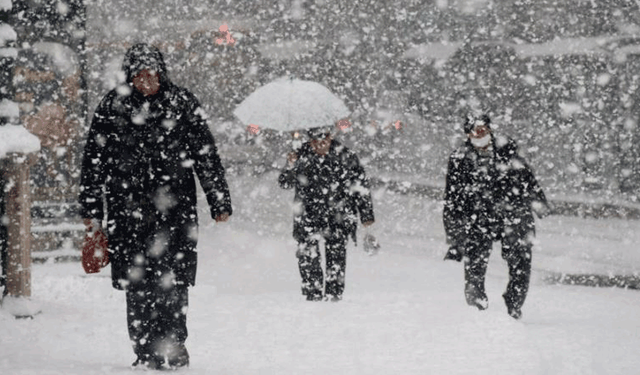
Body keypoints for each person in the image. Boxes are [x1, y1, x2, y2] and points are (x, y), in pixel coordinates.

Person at [79, 43, 232, 370]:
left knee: (174, 284)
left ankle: (175, 347)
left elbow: (205, 154)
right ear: (130, 76)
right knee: (138, 286)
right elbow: (94, 162)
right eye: (139, 75)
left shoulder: (182, 103)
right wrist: (92, 211)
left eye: (152, 74)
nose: (146, 81)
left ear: (162, 73)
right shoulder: (112, 106)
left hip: (174, 213)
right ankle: (146, 351)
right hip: (128, 213)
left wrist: (219, 198)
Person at [443, 114, 550, 319]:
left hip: (514, 214)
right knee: (474, 265)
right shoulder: (459, 159)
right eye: (474, 130)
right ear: (468, 134)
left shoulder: (508, 152)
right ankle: (477, 308)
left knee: (520, 263)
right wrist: (455, 237)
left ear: (490, 130)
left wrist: (539, 201)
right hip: (478, 218)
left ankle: (514, 305)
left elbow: (526, 178)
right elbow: (452, 198)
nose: (479, 134)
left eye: (483, 129)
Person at [279, 126, 375, 302]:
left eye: (324, 141)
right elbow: (284, 183)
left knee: (336, 256)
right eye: (316, 142)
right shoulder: (299, 155)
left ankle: (334, 295)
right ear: (310, 141)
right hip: (307, 213)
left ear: (331, 138)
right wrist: (291, 166)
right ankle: (312, 294)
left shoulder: (346, 155)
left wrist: (366, 215)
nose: (320, 146)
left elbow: (360, 186)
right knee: (308, 256)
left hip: (338, 213)